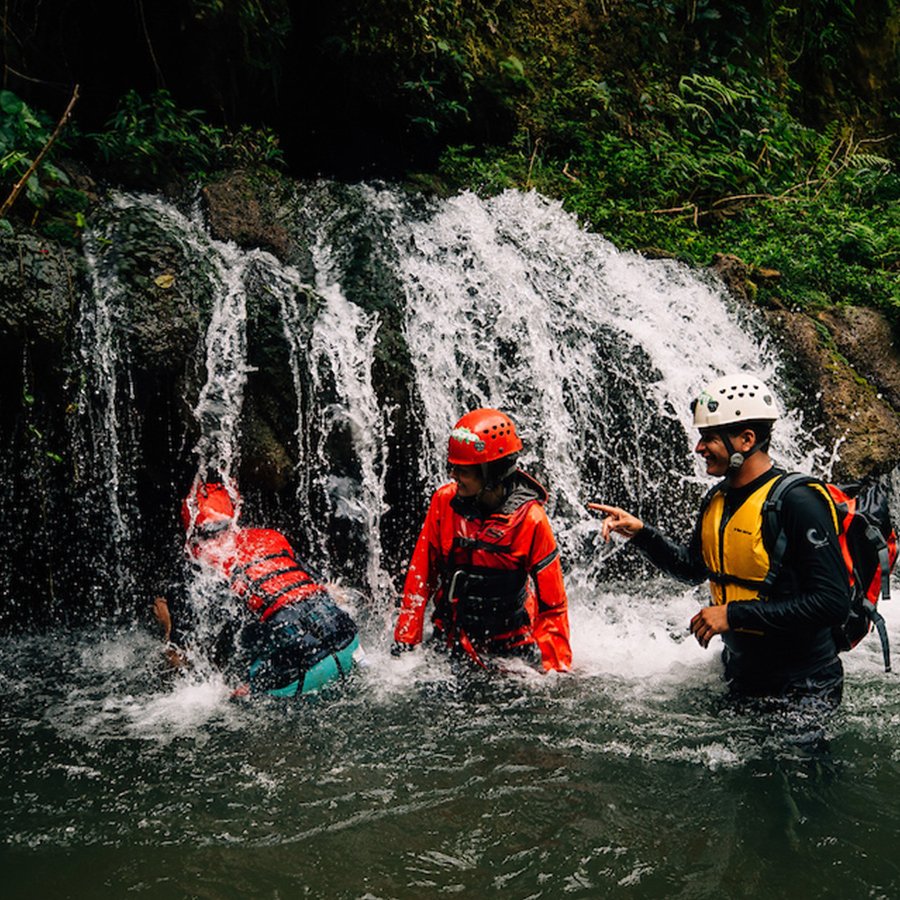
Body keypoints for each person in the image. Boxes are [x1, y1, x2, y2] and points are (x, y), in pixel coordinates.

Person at [590, 374, 851, 710]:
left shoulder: (798, 502)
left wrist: (735, 615)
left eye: (708, 438)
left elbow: (832, 603)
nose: (699, 448)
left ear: (746, 439)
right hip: (740, 675)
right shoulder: (717, 499)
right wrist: (642, 533)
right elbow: (693, 569)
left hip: (804, 685)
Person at [392, 408, 572, 672]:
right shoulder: (444, 501)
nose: (454, 475)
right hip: (451, 641)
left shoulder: (531, 520)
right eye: (451, 467)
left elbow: (553, 607)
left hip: (512, 651)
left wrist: (556, 673)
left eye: (463, 471)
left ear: (493, 473)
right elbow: (421, 577)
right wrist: (405, 641)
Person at [154, 480, 361, 697]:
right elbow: (330, 591)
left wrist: (167, 626)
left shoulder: (200, 565)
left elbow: (182, 658)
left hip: (299, 669)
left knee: (221, 696)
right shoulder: (269, 538)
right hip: (348, 641)